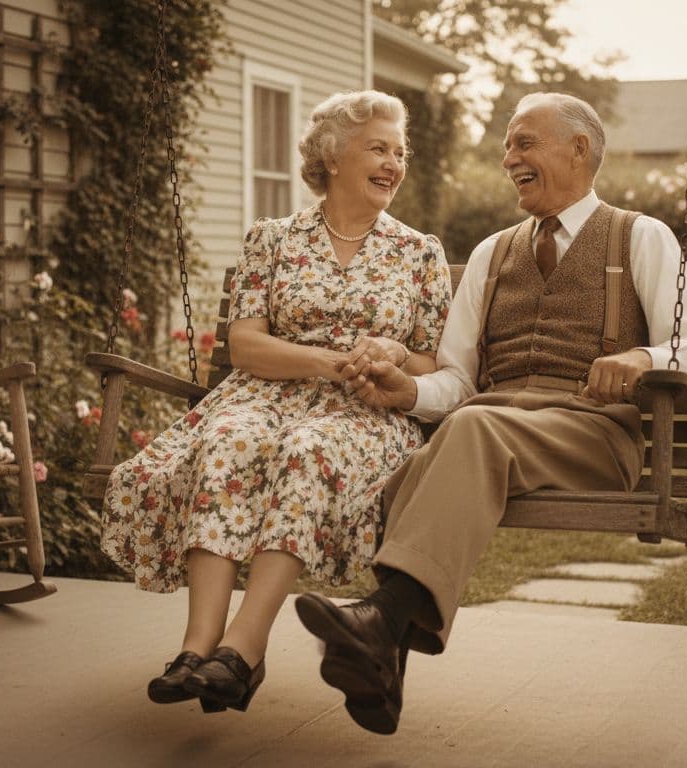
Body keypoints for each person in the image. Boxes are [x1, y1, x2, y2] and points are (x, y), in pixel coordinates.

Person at [294, 92, 687, 734]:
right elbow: (458, 380)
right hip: (494, 427)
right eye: (506, 145)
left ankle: (379, 622)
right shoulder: (494, 253)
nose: (508, 158)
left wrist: (641, 357)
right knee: (405, 476)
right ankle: (378, 660)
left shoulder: (640, 236)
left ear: (579, 149)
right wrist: (407, 393)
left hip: (593, 434)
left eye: (525, 142)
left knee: (466, 433)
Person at [100, 90, 452, 714]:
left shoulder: (418, 252)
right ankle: (196, 646)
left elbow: (433, 361)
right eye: (378, 148)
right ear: (332, 157)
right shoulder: (273, 238)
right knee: (230, 440)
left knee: (310, 449)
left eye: (400, 152)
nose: (394, 163)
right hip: (265, 394)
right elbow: (245, 343)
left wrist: (393, 358)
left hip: (364, 411)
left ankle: (243, 649)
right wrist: (325, 361)